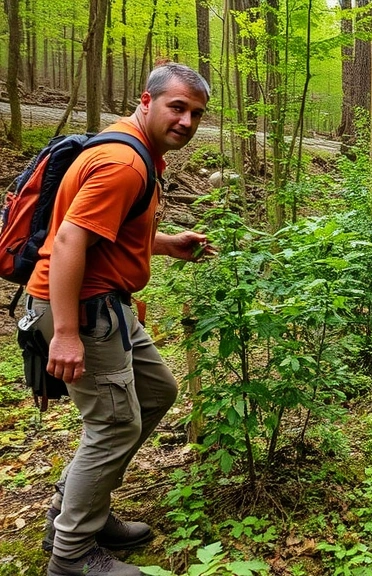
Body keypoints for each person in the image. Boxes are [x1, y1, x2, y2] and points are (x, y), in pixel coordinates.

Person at [26, 63, 214, 576]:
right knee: (112, 425)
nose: (187, 121)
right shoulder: (124, 163)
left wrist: (166, 245)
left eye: (196, 113)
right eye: (178, 107)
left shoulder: (136, 151)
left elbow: (103, 229)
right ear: (147, 101)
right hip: (82, 309)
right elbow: (67, 241)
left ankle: (81, 510)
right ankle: (71, 555)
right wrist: (65, 333)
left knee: (156, 392)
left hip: (108, 304)